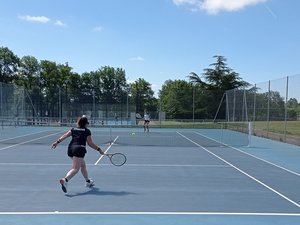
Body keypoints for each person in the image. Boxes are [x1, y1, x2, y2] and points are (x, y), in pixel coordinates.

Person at [51, 115, 105, 193]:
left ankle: (88, 181)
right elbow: (90, 143)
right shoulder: (87, 131)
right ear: (85, 124)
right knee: (76, 168)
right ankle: (65, 180)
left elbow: (65, 136)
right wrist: (99, 149)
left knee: (82, 165)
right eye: (87, 123)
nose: (88, 124)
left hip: (70, 149)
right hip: (79, 149)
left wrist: (57, 142)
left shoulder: (73, 129)